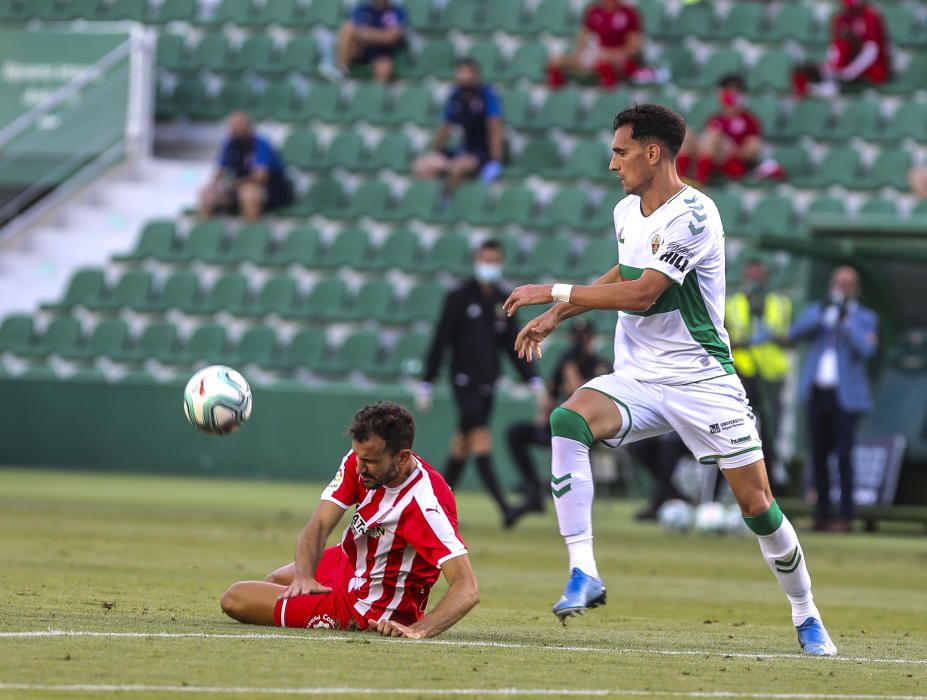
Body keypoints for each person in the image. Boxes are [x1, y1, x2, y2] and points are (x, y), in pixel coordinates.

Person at [501, 104, 837, 656]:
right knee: (569, 419)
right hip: (639, 377)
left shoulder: (696, 215)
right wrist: (559, 316)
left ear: (652, 152)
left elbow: (642, 293)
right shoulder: (626, 212)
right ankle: (584, 570)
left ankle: (806, 614)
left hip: (702, 380)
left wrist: (555, 292)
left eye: (620, 151)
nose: (612, 164)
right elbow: (624, 272)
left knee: (757, 505)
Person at [220, 401, 479, 638]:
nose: (359, 468)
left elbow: (467, 588)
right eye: (358, 456)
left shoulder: (425, 506)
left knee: (235, 598)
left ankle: (319, 611)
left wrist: (420, 629)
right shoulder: (362, 460)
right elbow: (320, 524)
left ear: (402, 457)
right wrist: (304, 575)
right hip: (350, 562)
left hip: (367, 607)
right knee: (275, 581)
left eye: (369, 461)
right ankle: (307, 599)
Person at [417, 239, 546, 528]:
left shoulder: (503, 300)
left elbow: (515, 342)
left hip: (489, 383)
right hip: (463, 381)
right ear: (476, 260)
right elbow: (441, 339)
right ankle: (505, 508)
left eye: (494, 261)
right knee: (479, 437)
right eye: (485, 260)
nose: (490, 266)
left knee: (461, 447)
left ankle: (431, 507)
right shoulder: (459, 297)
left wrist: (532, 378)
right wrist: (427, 380)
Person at [788, 266, 878, 534]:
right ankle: (822, 513)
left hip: (846, 397)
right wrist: (824, 315)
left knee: (843, 456)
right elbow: (796, 333)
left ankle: (846, 515)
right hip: (818, 392)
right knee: (818, 455)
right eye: (838, 283)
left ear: (856, 289)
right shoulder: (820, 310)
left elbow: (866, 349)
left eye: (847, 284)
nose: (842, 288)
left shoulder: (865, 317)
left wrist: (846, 321)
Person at [505, 319, 611, 524]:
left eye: (584, 338)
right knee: (516, 433)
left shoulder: (600, 366)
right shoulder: (565, 361)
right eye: (576, 338)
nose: (579, 343)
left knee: (569, 448)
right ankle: (533, 488)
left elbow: (581, 392)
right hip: (560, 425)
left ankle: (566, 499)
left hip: (591, 431)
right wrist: (543, 415)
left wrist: (572, 372)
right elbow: (551, 396)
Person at [726, 257, 792, 486]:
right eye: (751, 273)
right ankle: (738, 484)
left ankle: (771, 485)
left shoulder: (780, 303)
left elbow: (788, 339)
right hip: (743, 372)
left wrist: (771, 334)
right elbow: (723, 337)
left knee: (770, 433)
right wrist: (742, 343)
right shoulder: (732, 303)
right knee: (740, 431)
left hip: (771, 375)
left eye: (759, 273)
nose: (754, 278)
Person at [412, 59, 505, 197]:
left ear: (475, 75)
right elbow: (445, 128)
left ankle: (447, 204)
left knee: (458, 167)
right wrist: (435, 152)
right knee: (421, 166)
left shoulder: (487, 96)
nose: (463, 76)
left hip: (482, 153)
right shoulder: (455, 97)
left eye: (467, 72)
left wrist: (495, 160)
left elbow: (495, 127)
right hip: (464, 149)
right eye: (460, 72)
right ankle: (429, 203)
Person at [197, 112, 293, 221]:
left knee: (248, 193)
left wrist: (235, 184)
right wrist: (215, 186)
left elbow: (261, 177)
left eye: (239, 125)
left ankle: (251, 235)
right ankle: (204, 234)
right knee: (207, 193)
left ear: (248, 127)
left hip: (272, 190)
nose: (236, 129)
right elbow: (219, 171)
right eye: (233, 126)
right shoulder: (230, 145)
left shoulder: (261, 145)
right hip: (238, 187)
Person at [676, 75, 765, 185]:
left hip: (732, 162)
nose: (730, 95)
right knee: (686, 133)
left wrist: (732, 149)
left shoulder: (748, 120)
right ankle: (682, 179)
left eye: (735, 91)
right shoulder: (715, 118)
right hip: (711, 159)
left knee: (713, 136)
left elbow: (753, 147)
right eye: (727, 90)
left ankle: (699, 181)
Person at [792, 0, 891, 97]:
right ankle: (818, 88)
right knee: (805, 69)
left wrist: (851, 71)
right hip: (845, 68)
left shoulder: (870, 16)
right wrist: (831, 66)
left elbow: (871, 50)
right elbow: (836, 46)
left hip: (870, 69)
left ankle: (829, 86)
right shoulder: (841, 18)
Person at [547, 0, 649, 89]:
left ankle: (609, 90)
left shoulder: (629, 13)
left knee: (606, 60)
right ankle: (558, 94)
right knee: (556, 61)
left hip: (618, 56)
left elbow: (634, 45)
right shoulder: (594, 11)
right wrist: (584, 49)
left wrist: (618, 53)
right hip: (597, 53)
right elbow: (582, 37)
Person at [325, 0, 407, 83]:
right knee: (347, 27)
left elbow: (392, 37)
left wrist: (368, 34)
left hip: (382, 51)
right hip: (361, 49)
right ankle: (340, 70)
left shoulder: (396, 11)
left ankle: (374, 94)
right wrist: (378, 34)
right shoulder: (362, 9)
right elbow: (351, 30)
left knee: (384, 68)